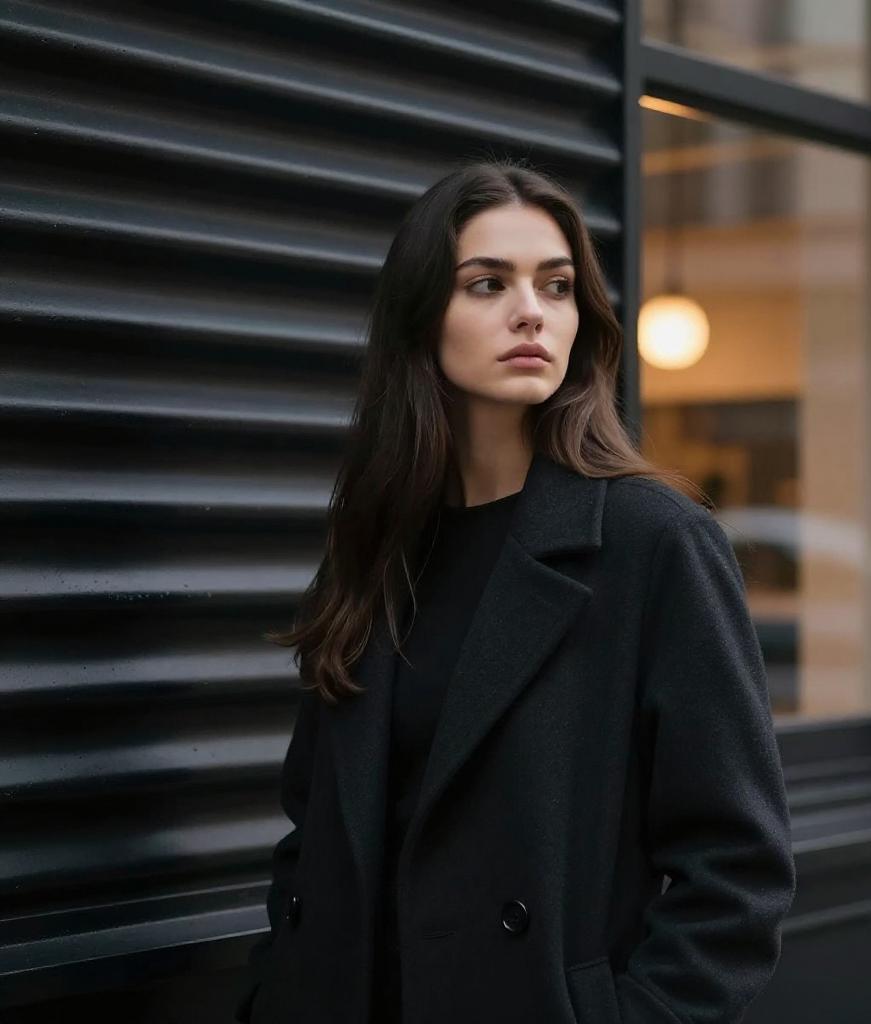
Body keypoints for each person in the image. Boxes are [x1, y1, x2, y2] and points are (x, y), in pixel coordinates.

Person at [234, 157, 796, 1024]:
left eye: (558, 285)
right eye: (487, 283)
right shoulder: (377, 546)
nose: (531, 311)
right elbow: (316, 830)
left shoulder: (652, 541)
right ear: (422, 317)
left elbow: (737, 869)